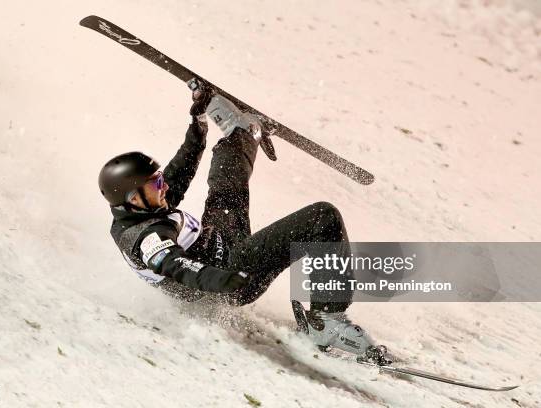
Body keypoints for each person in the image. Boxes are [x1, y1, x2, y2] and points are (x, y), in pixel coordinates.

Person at [98, 84, 375, 356]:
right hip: (230, 276)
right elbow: (178, 267)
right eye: (156, 184)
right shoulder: (147, 239)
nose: (165, 187)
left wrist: (198, 123)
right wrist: (224, 280)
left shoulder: (142, 206)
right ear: (135, 197)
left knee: (226, 188)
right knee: (322, 218)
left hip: (222, 243)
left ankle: (241, 133)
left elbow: (178, 174)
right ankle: (326, 321)